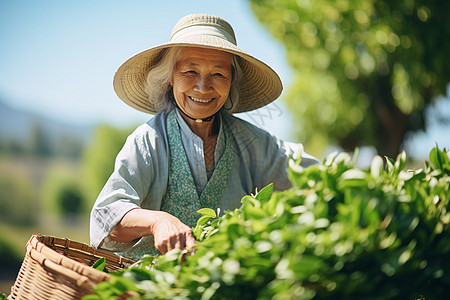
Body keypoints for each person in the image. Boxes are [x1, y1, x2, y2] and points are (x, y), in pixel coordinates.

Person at [90, 13, 318, 261]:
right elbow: (108, 216)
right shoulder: (149, 141)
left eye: (218, 74)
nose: (202, 87)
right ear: (170, 77)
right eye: (190, 71)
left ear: (231, 81)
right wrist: (158, 221)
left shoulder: (253, 143)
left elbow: (312, 175)